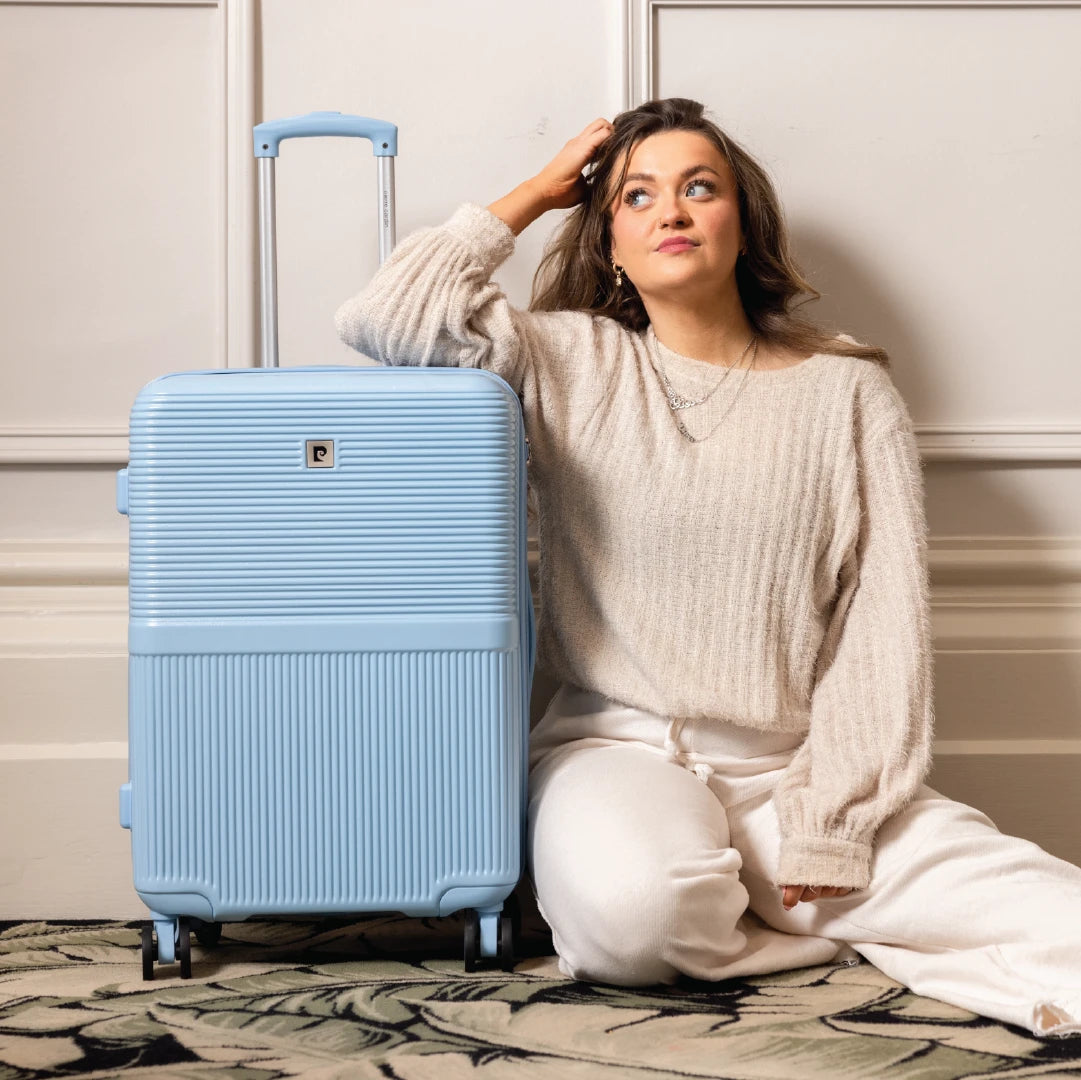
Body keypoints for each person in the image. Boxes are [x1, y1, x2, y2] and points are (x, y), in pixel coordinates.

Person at [335, 97, 1081, 1038]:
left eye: (699, 188)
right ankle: (823, 929)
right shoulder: (566, 361)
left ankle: (798, 893)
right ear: (608, 239)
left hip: (790, 770)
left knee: (1060, 921)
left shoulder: (848, 391)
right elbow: (383, 316)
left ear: (743, 221)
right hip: (612, 754)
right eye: (637, 197)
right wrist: (532, 194)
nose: (671, 211)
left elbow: (878, 621)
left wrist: (833, 818)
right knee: (633, 929)